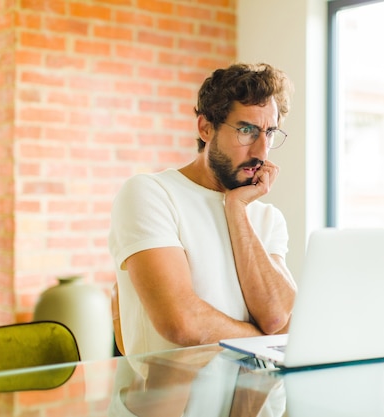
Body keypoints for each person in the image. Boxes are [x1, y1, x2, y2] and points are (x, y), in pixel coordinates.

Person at [108, 63, 297, 356]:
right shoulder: (151, 193)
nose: (261, 151)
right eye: (247, 130)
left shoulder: (266, 217)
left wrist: (236, 209)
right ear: (206, 127)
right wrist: (262, 341)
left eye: (269, 132)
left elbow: (278, 319)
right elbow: (182, 322)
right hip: (167, 398)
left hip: (253, 398)